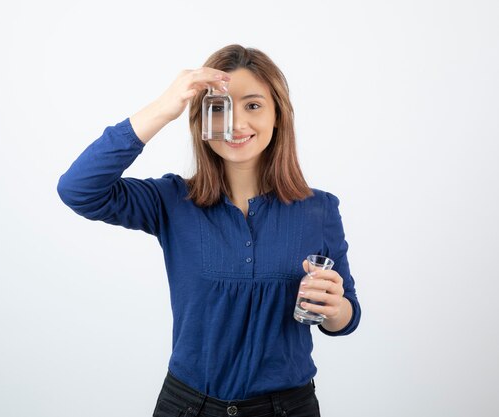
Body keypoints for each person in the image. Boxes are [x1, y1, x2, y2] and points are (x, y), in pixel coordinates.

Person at [57, 44, 361, 417]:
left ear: (278, 115)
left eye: (253, 105)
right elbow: (78, 189)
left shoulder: (320, 209)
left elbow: (347, 318)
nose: (236, 124)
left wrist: (335, 309)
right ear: (200, 119)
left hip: (287, 408)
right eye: (220, 108)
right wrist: (164, 107)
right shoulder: (171, 200)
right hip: (187, 406)